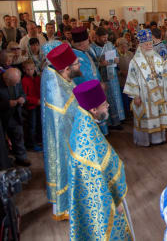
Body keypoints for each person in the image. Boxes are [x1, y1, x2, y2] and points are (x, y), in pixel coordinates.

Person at [69, 80, 134, 241]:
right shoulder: (87, 138)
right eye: (104, 105)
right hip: (104, 200)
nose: (108, 106)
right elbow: (96, 180)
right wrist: (114, 203)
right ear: (93, 109)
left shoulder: (84, 119)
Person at [42, 43, 80, 220]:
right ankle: (65, 207)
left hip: (68, 134)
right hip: (62, 138)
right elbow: (68, 112)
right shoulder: (55, 88)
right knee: (64, 167)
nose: (79, 64)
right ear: (66, 68)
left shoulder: (61, 76)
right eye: (76, 63)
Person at [124, 29, 167, 146]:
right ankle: (145, 140)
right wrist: (135, 96)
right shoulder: (135, 62)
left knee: (158, 117)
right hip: (143, 96)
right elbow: (131, 79)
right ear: (140, 45)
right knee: (145, 118)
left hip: (158, 96)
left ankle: (158, 139)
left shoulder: (157, 58)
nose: (149, 46)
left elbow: (164, 71)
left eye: (150, 43)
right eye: (146, 44)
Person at [89, 27, 125, 130]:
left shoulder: (109, 44)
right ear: (97, 37)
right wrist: (100, 63)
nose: (105, 40)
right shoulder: (92, 48)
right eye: (103, 38)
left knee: (115, 97)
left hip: (112, 76)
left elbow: (116, 56)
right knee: (106, 100)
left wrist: (116, 59)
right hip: (102, 78)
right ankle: (108, 123)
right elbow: (91, 64)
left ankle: (117, 121)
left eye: (106, 37)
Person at [0, 68, 30, 166]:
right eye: (12, 83)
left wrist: (23, 98)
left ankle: (21, 158)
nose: (15, 85)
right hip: (2, 117)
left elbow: (22, 93)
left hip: (15, 115)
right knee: (3, 142)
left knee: (18, 136)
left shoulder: (16, 81)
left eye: (16, 83)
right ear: (6, 80)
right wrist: (7, 104)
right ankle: (5, 161)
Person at [21, 59, 42, 152]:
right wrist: (35, 101)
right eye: (28, 69)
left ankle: (39, 141)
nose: (30, 71)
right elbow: (25, 96)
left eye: (32, 69)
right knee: (32, 125)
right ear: (24, 70)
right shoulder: (24, 81)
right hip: (31, 106)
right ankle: (32, 144)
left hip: (39, 104)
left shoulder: (37, 78)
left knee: (39, 124)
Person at [116, 37, 133, 116]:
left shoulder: (130, 54)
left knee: (131, 96)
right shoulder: (116, 55)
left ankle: (132, 110)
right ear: (118, 46)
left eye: (125, 45)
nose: (124, 47)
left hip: (130, 80)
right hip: (121, 80)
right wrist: (120, 72)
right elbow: (113, 68)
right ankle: (126, 113)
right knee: (124, 98)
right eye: (122, 46)